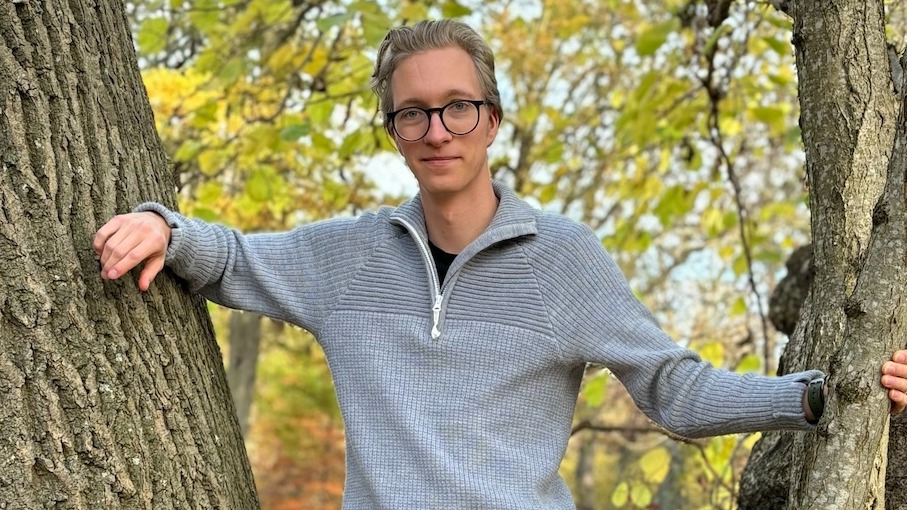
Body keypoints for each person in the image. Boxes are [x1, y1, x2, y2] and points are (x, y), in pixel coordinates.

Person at [95, 19, 907, 510]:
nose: (436, 131)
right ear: (393, 133)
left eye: (457, 107)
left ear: (491, 121)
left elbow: (675, 390)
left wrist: (816, 395)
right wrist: (161, 226)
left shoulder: (563, 260)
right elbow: (232, 256)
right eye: (413, 114)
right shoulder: (347, 258)